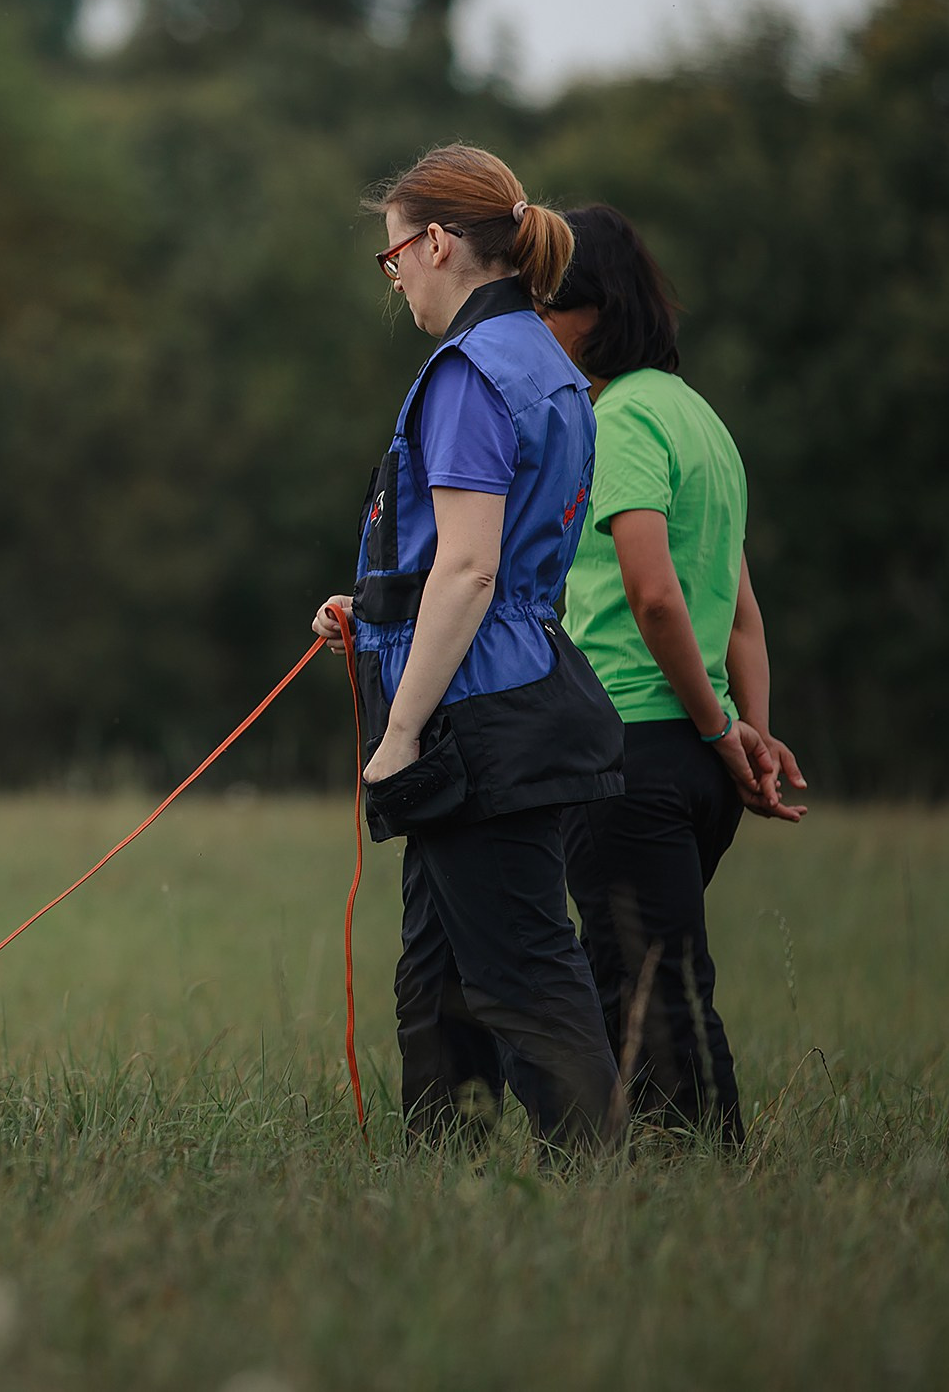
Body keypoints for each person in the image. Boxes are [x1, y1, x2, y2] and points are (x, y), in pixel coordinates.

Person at [311, 144, 624, 1151]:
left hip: (473, 719)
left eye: (393, 253)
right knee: (437, 977)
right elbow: (474, 562)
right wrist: (374, 611)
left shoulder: (467, 372)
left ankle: (597, 1192)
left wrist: (398, 734)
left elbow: (471, 570)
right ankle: (448, 1187)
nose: (394, 273)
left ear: (437, 241)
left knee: (523, 974)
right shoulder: (546, 361)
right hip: (516, 685)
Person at [539, 204, 809, 1147]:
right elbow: (741, 615)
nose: (540, 330)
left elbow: (655, 598)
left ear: (596, 310)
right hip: (695, 763)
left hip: (633, 749)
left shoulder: (616, 420)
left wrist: (709, 728)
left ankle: (700, 1173)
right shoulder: (704, 422)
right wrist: (747, 734)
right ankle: (642, 1171)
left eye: (549, 308)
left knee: (645, 987)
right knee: (653, 975)